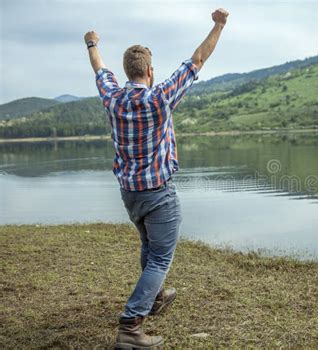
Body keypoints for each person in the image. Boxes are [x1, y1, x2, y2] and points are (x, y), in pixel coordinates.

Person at [84, 8, 229, 349]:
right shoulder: (159, 98)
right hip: (159, 193)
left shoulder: (112, 97)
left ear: (127, 72)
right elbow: (197, 60)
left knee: (150, 247)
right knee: (161, 257)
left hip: (129, 194)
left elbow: (99, 68)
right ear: (149, 71)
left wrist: (91, 43)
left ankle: (157, 296)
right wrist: (219, 25)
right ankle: (131, 327)